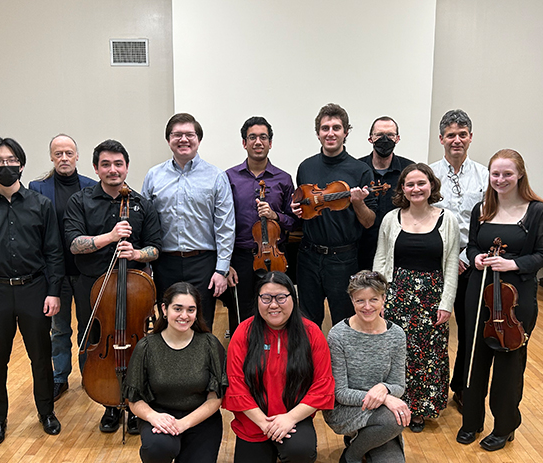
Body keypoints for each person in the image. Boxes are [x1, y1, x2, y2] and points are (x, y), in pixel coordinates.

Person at [0, 137, 65, 446]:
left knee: (41, 356)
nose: (5, 166)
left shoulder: (41, 205)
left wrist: (53, 292)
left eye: (11, 160)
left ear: (21, 164)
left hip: (34, 289)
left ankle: (46, 411)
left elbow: (54, 253)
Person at [456, 149, 543, 451]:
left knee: (509, 362)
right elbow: (472, 245)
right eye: (495, 174)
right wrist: (477, 259)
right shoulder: (482, 208)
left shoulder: (537, 211)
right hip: (480, 289)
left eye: (507, 174)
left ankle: (504, 426)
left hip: (517, 296)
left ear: (520, 175)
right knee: (475, 356)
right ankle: (471, 421)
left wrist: (513, 264)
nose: (500, 179)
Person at [64, 139, 162, 434]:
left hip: (134, 288)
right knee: (95, 340)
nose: (113, 169)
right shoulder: (80, 201)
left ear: (127, 167)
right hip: (93, 287)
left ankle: (134, 403)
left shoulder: (142, 204)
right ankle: (109, 404)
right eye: (105, 164)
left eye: (118, 164)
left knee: (137, 345)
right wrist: (110, 236)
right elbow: (74, 244)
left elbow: (156, 248)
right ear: (96, 168)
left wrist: (136, 253)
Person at [225, 271, 335, 463]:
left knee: (301, 452)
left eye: (281, 297)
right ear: (257, 301)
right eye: (266, 298)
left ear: (293, 299)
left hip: (292, 419)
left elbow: (322, 385)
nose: (273, 305)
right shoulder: (243, 332)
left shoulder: (311, 332)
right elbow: (235, 385)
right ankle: (267, 452)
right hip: (255, 422)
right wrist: (264, 424)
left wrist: (290, 418)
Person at [123, 282, 227, 463]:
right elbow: (134, 399)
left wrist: (183, 425)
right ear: (164, 309)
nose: (184, 315)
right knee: (158, 448)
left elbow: (215, 399)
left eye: (191, 310)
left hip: (199, 421)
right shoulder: (147, 346)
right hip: (161, 419)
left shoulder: (209, 344)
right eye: (177, 308)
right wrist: (153, 416)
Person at [374, 163, 459, 432]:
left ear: (431, 185)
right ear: (402, 189)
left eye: (421, 183)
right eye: (409, 184)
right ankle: (395, 403)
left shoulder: (448, 220)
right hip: (397, 293)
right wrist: (379, 299)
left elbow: (451, 264)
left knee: (428, 354)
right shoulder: (391, 218)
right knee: (397, 352)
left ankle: (420, 409)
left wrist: (446, 303)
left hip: (431, 297)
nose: (416, 189)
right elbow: (382, 258)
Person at [142, 113, 235, 331]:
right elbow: (145, 223)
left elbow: (225, 226)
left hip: (203, 263)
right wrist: (145, 265)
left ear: (198, 140)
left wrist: (221, 270)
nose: (183, 139)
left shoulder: (216, 176)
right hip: (165, 263)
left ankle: (202, 366)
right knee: (167, 325)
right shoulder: (154, 176)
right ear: (168, 140)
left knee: (202, 324)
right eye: (177, 135)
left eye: (189, 134)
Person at [292, 103, 377, 328]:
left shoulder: (360, 171)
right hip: (308, 255)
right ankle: (308, 364)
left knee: (343, 321)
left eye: (336, 128)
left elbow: (369, 222)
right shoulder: (305, 167)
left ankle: (340, 365)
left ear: (346, 132)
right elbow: (303, 205)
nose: (330, 133)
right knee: (307, 321)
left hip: (343, 258)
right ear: (318, 133)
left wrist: (358, 203)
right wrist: (297, 209)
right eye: (325, 128)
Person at [324, 271, 409, 463]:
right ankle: (351, 458)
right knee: (394, 420)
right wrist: (385, 398)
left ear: (383, 299)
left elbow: (399, 384)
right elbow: (340, 392)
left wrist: (385, 389)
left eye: (374, 299)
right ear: (351, 300)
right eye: (360, 300)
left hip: (379, 413)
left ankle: (361, 444)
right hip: (345, 410)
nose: (367, 307)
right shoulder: (338, 335)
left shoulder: (397, 335)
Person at [29, 134, 96, 401]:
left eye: (69, 153)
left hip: (85, 271)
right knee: (59, 329)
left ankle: (88, 374)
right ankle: (60, 377)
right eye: (58, 154)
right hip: (54, 273)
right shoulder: (38, 187)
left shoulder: (92, 186)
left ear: (77, 156)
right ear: (51, 157)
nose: (64, 158)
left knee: (88, 327)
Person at [430, 110, 489, 412]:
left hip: (470, 263)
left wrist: (465, 257)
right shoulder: (427, 175)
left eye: (462, 134)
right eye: (450, 135)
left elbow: (487, 223)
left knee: (470, 329)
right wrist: (446, 258)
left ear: (470, 137)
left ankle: (464, 387)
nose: (456, 140)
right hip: (434, 263)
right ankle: (429, 387)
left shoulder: (485, 177)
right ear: (441, 139)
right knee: (432, 329)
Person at [225, 116, 297, 321]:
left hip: (275, 258)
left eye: (263, 137)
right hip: (240, 257)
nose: (258, 142)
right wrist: (226, 262)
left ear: (270, 143)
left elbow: (295, 221)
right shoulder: (229, 177)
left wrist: (275, 216)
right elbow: (220, 222)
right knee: (242, 315)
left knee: (277, 313)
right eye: (252, 137)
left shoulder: (283, 178)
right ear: (244, 143)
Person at [358, 116, 414, 270]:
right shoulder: (357, 169)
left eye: (390, 135)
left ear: (397, 138)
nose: (385, 139)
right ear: (370, 139)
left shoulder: (409, 169)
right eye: (379, 135)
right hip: (361, 250)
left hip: (399, 250)